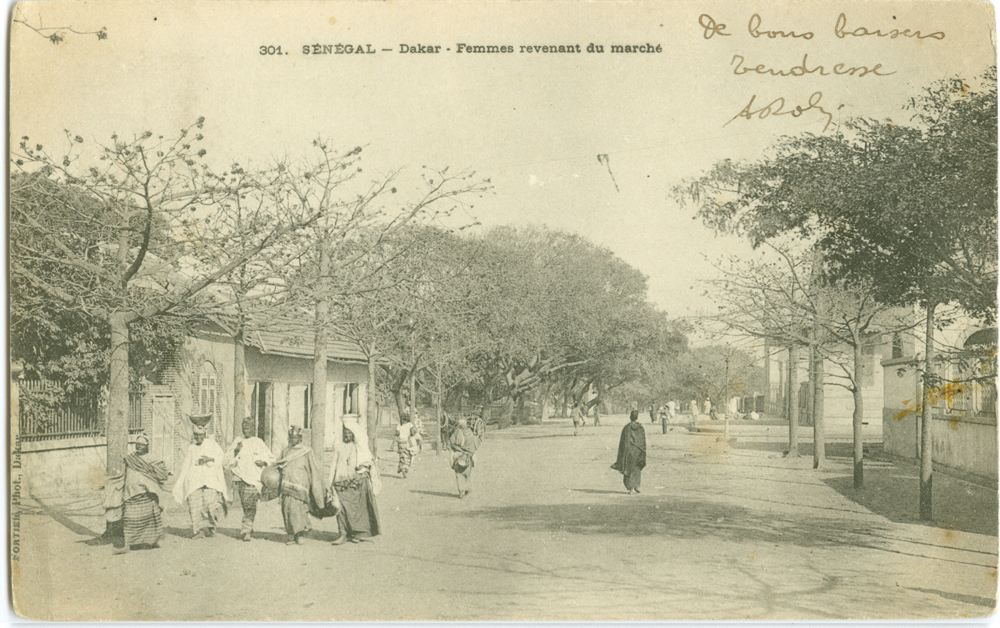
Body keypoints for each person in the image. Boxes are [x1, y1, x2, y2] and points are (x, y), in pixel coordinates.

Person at [328, 418, 382, 544]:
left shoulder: (359, 448)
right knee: (339, 509)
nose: (346, 436)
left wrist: (362, 470)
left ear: (353, 435)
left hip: (354, 483)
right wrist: (329, 482)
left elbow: (368, 463)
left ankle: (354, 534)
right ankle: (342, 534)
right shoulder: (338, 447)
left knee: (356, 511)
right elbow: (333, 465)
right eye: (345, 434)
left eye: (349, 434)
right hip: (340, 482)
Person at [115, 434, 169, 554]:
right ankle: (128, 544)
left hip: (146, 494)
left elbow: (161, 473)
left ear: (146, 446)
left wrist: (149, 475)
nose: (139, 447)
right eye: (137, 445)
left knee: (150, 519)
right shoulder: (131, 458)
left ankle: (152, 541)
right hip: (130, 494)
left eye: (141, 445)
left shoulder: (151, 458)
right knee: (129, 519)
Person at [224, 417, 275, 541]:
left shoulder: (258, 442)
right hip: (240, 478)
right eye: (244, 428)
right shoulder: (238, 441)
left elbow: (271, 458)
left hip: (254, 479)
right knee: (245, 505)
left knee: (250, 505)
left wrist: (262, 462)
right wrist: (236, 451)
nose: (246, 430)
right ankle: (249, 526)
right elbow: (226, 461)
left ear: (253, 428)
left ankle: (246, 530)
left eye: (248, 428)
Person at [275, 426, 326, 545]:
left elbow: (313, 468)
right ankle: (291, 534)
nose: (293, 439)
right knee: (286, 509)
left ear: (300, 438)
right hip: (286, 485)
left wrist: (317, 486)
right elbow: (279, 463)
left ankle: (300, 534)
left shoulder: (306, 451)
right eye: (291, 437)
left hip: (300, 486)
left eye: (295, 437)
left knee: (297, 510)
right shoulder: (285, 451)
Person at [611, 409, 647, 494]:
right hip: (638, 450)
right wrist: (643, 451)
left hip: (629, 450)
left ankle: (630, 488)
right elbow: (643, 441)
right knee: (637, 468)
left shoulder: (626, 428)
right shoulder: (641, 427)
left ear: (630, 417)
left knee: (628, 468)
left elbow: (624, 442)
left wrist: (622, 454)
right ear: (637, 417)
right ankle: (637, 486)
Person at [450, 414, 479, 498]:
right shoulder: (471, 432)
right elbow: (474, 446)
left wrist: (459, 449)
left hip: (459, 454)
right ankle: (466, 488)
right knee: (468, 474)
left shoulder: (457, 432)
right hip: (469, 455)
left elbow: (452, 443)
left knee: (458, 473)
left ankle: (461, 491)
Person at [395, 414, 418, 478]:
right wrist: (411, 434)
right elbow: (414, 431)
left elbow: (397, 433)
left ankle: (401, 467)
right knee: (408, 456)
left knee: (402, 455)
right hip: (406, 442)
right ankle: (404, 468)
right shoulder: (410, 425)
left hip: (400, 442)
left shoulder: (399, 425)